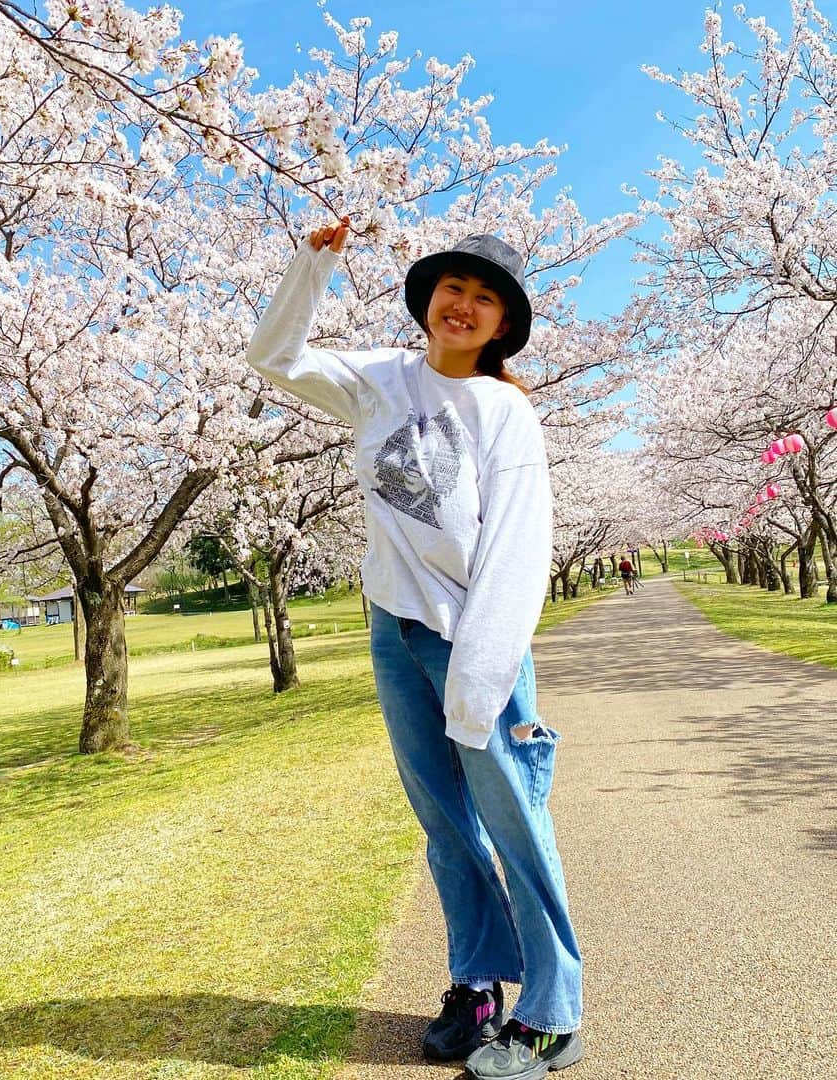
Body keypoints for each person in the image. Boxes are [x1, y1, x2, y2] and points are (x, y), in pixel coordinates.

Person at [246, 219, 583, 1079]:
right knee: (443, 822)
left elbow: (516, 548)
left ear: (503, 323)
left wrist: (479, 678)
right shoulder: (378, 380)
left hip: (478, 639)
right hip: (395, 631)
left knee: (514, 820)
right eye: (452, 290)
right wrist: (312, 266)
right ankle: (475, 982)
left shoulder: (504, 412)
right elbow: (274, 357)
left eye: (485, 298)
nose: (463, 306)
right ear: (427, 302)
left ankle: (552, 1010)